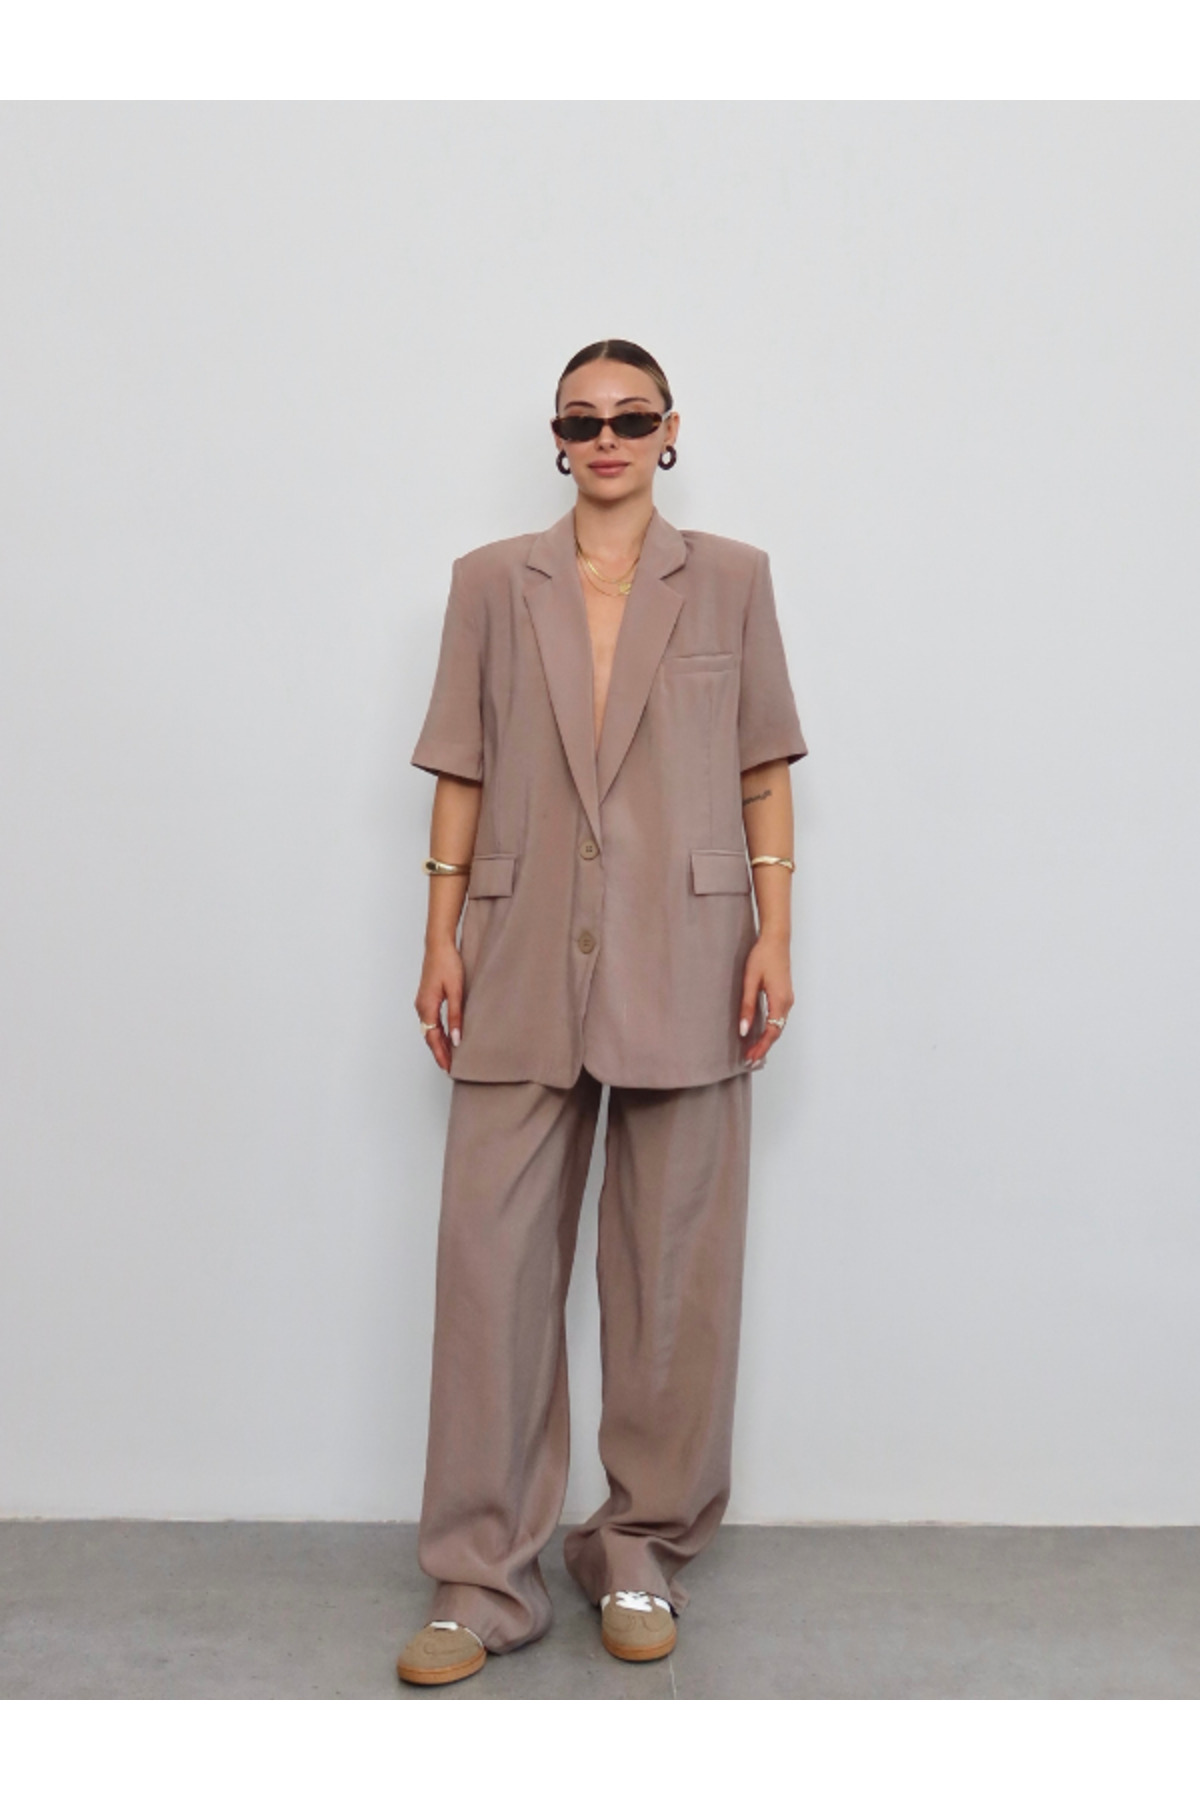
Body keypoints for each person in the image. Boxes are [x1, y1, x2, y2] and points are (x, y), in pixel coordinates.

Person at [396, 339, 808, 1687]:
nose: (607, 438)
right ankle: (479, 1578)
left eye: (631, 417)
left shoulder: (732, 578)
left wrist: (776, 933)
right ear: (558, 438)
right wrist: (439, 935)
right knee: (491, 1269)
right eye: (583, 420)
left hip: (690, 946)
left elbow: (761, 767)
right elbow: (460, 763)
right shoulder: (489, 583)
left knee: (674, 1270)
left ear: (670, 428)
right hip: (519, 944)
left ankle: (639, 1548)